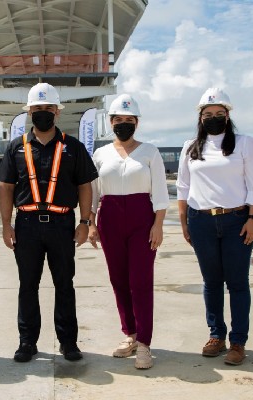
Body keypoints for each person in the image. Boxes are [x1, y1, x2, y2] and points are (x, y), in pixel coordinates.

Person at [0, 82, 98, 362]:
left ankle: (68, 343)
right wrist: (6, 225)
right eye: (37, 108)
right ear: (29, 112)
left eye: (48, 108)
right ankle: (27, 342)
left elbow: (85, 185)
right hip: (27, 224)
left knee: (64, 284)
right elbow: (5, 187)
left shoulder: (73, 147)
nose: (43, 113)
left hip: (62, 224)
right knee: (27, 285)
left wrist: (85, 221)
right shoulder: (16, 147)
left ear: (57, 111)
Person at [176, 88, 253, 366]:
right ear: (200, 118)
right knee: (211, 282)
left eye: (219, 114)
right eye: (208, 114)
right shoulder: (191, 147)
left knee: (237, 283)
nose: (213, 118)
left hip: (236, 220)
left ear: (228, 116)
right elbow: (183, 187)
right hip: (201, 220)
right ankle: (216, 335)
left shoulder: (244, 143)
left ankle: (238, 341)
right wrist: (184, 222)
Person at [87, 94, 169, 369]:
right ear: (110, 122)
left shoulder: (150, 152)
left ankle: (145, 342)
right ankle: (130, 335)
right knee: (118, 279)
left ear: (136, 122)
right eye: (118, 119)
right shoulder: (101, 154)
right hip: (109, 217)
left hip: (141, 218)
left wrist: (158, 225)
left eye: (129, 120)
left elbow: (159, 192)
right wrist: (91, 224)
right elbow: (94, 194)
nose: (123, 124)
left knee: (141, 281)